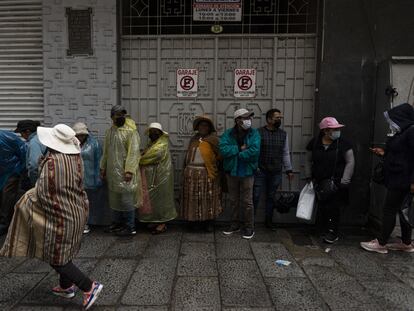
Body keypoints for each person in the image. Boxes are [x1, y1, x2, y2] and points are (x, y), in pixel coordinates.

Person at [0, 124, 103, 310]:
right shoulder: (75, 158)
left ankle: (89, 286)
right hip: (77, 210)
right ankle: (65, 287)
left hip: (61, 214)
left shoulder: (52, 163)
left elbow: (44, 193)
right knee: (65, 250)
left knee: (56, 257)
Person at [361, 103, 414, 253]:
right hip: (398, 176)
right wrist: (383, 153)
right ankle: (406, 242)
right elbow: (402, 154)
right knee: (401, 209)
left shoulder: (411, 132)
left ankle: (381, 242)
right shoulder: (403, 132)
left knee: (389, 209)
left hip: (402, 178)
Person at [304, 117, 355, 244]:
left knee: (334, 207)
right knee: (322, 205)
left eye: (338, 129)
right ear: (325, 131)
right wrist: (308, 175)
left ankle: (333, 232)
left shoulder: (344, 143)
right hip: (319, 180)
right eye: (334, 129)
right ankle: (320, 229)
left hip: (337, 182)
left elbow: (350, 162)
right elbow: (308, 160)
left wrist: (345, 180)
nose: (337, 131)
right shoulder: (315, 143)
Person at [219, 108, 261, 239]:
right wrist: (238, 148)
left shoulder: (254, 134)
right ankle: (234, 224)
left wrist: (240, 155)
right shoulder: (228, 134)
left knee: (247, 201)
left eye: (249, 118)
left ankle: (249, 227)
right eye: (245, 118)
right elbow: (223, 150)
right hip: (232, 171)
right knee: (233, 200)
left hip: (247, 172)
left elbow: (255, 151)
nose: (248, 121)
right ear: (238, 120)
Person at [100, 105, 141, 236]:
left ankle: (130, 226)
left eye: (122, 114)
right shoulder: (110, 131)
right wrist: (103, 167)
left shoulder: (130, 132)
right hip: (113, 173)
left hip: (125, 173)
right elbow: (106, 151)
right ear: (112, 117)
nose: (121, 117)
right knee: (114, 198)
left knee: (127, 200)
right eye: (118, 115)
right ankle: (117, 224)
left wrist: (129, 170)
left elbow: (133, 152)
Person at [180, 116, 223, 232]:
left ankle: (208, 222)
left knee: (207, 198)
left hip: (206, 174)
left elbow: (220, 156)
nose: (203, 127)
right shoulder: (193, 139)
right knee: (193, 199)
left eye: (206, 125)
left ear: (209, 128)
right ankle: (193, 222)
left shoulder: (214, 140)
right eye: (201, 125)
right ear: (197, 127)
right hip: (191, 174)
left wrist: (213, 168)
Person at [254, 108, 293, 230]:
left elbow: (285, 153)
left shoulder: (283, 134)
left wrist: (289, 170)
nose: (279, 120)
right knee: (255, 196)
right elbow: (254, 152)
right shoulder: (258, 133)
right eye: (277, 118)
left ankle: (269, 221)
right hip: (260, 170)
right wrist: (255, 167)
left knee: (271, 197)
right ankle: (250, 222)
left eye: (280, 118)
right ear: (269, 119)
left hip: (276, 171)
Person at [139, 123, 177, 234]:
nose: (153, 134)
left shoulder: (161, 145)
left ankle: (162, 223)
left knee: (161, 200)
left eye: (155, 132)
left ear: (160, 134)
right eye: (151, 132)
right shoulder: (152, 144)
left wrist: (138, 159)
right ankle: (155, 220)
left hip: (161, 177)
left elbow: (150, 157)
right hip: (152, 177)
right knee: (153, 200)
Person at [73, 122, 107, 234]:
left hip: (90, 177)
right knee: (77, 202)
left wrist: (99, 177)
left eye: (82, 135)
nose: (80, 137)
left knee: (88, 202)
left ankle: (87, 223)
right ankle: (79, 223)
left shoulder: (95, 144)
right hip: (75, 177)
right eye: (78, 135)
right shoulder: (72, 143)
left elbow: (99, 161)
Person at [0, 129, 26, 235]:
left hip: (11, 171)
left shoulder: (7, 137)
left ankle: (4, 224)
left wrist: (21, 170)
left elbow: (23, 152)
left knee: (7, 196)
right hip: (3, 170)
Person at [14, 119, 46, 186]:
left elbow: (34, 166)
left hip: (39, 181)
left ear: (27, 131)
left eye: (21, 133)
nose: (21, 136)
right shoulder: (42, 138)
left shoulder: (34, 142)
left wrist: (34, 184)